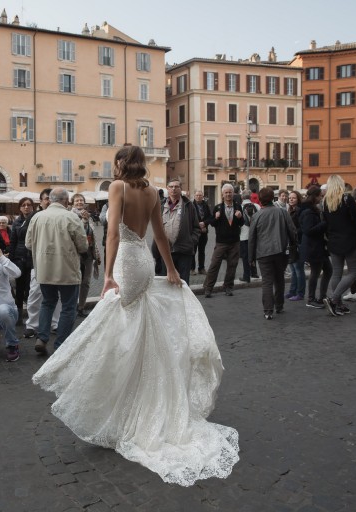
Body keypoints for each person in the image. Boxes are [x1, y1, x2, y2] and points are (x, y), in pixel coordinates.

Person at [33, 145, 239, 486]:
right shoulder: (153, 192)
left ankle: (114, 392)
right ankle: (135, 390)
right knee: (136, 326)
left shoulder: (118, 187)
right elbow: (160, 235)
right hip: (144, 259)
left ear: (121, 163)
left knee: (120, 328)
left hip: (127, 261)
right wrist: (170, 269)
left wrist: (107, 274)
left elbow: (113, 232)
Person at [25, 187, 88, 353]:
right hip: (67, 270)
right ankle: (61, 344)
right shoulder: (71, 217)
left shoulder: (37, 217)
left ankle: (42, 338)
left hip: (44, 269)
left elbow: (28, 244)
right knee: (68, 307)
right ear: (66, 200)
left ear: (51, 199)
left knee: (47, 302)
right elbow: (83, 246)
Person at [248, 187, 297, 320]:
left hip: (263, 253)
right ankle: (279, 305)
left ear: (260, 200)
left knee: (267, 281)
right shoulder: (282, 213)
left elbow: (252, 238)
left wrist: (251, 257)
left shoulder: (256, 216)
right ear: (273, 198)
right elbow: (292, 231)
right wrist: (294, 245)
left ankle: (268, 310)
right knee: (279, 278)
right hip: (281, 250)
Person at [21, 189, 60, 339]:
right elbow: (26, 239)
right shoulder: (34, 217)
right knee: (35, 294)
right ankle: (32, 325)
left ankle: (55, 323)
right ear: (41, 201)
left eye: (51, 198)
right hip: (38, 262)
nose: (49, 201)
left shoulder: (62, 216)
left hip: (58, 261)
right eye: (46, 199)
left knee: (57, 294)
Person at [322, 175, 356, 317]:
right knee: (354, 272)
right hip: (349, 239)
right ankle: (333, 299)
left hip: (333, 240)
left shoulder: (325, 201)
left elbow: (325, 222)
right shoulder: (347, 199)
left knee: (337, 272)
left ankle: (338, 304)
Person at [154, 179, 200, 285]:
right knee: (167, 283)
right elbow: (156, 229)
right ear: (167, 189)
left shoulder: (189, 205)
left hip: (184, 252)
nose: (173, 189)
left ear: (180, 189)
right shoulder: (161, 205)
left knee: (183, 283)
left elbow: (196, 228)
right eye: (171, 187)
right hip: (166, 252)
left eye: (176, 187)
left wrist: (191, 241)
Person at [203, 183, 243, 298]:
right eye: (226, 192)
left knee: (232, 266)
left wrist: (240, 217)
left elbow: (242, 223)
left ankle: (228, 287)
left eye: (230, 192)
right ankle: (208, 288)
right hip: (221, 242)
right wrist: (215, 217)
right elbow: (213, 223)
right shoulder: (218, 207)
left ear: (233, 193)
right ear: (222, 194)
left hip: (234, 241)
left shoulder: (238, 206)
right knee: (214, 265)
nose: (228, 194)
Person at [298, 186, 331, 309]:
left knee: (328, 270)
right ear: (315, 196)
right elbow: (308, 230)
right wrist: (324, 224)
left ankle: (322, 297)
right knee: (316, 272)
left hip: (317, 246)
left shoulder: (311, 209)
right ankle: (311, 299)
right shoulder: (308, 212)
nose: (321, 198)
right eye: (320, 196)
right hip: (313, 247)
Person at [70, 193, 100, 315]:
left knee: (86, 282)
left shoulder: (88, 216)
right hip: (75, 253)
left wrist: (96, 252)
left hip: (88, 253)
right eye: (77, 201)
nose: (79, 202)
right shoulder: (70, 216)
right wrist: (84, 221)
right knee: (74, 281)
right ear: (72, 203)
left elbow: (93, 234)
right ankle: (71, 307)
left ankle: (81, 307)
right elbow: (78, 234)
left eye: (81, 200)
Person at [7, 197, 35, 320]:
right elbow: (13, 241)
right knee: (19, 287)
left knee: (31, 288)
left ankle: (31, 315)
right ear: (20, 208)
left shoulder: (36, 220)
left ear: (33, 207)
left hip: (33, 258)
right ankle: (18, 315)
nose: (26, 207)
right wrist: (11, 259)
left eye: (29, 204)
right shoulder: (17, 222)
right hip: (19, 258)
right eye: (23, 205)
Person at [285, 190, 305, 301]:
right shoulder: (290, 210)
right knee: (293, 269)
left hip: (298, 242)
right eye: (290, 198)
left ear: (298, 199)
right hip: (291, 242)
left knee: (298, 269)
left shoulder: (299, 211)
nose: (291, 199)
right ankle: (292, 291)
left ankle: (300, 293)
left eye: (293, 198)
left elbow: (302, 227)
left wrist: (293, 232)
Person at [239, 190, 260, 282]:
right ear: (250, 197)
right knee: (253, 255)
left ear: (242, 197)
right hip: (255, 235)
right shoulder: (257, 206)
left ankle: (246, 276)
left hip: (243, 235)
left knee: (245, 256)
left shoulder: (240, 207)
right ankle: (254, 273)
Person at [192, 190, 213, 274]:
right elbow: (190, 218)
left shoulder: (206, 205)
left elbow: (210, 217)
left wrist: (204, 223)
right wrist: (198, 224)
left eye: (200, 195)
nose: (198, 197)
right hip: (194, 232)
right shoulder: (191, 205)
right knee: (193, 251)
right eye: (197, 195)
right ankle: (192, 269)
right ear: (194, 196)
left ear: (202, 196)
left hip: (204, 232)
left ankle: (201, 268)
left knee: (202, 251)